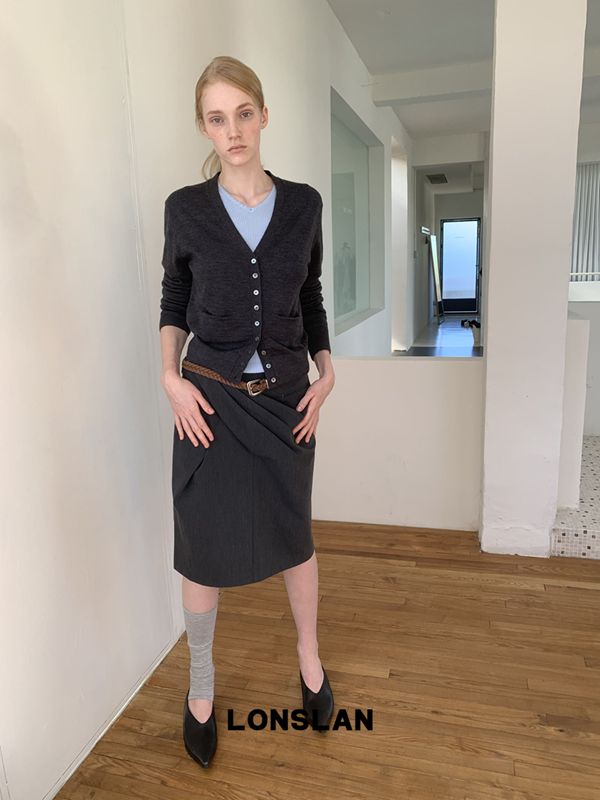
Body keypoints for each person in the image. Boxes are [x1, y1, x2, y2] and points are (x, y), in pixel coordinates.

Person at [159, 55, 335, 768]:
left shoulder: (304, 205)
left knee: (295, 536)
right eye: (216, 118)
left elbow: (310, 295)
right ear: (204, 127)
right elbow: (174, 300)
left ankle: (310, 659)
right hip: (206, 401)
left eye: (242, 114)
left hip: (287, 402)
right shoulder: (186, 209)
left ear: (263, 115)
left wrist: (328, 369)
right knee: (202, 546)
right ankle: (201, 683)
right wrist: (168, 377)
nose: (232, 130)